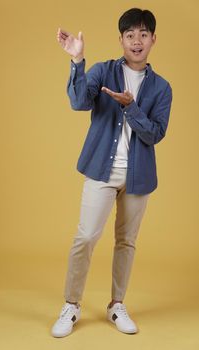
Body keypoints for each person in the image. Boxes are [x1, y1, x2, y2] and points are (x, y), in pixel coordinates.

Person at [52, 7, 173, 337]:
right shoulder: (103, 71)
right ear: (120, 39)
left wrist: (130, 106)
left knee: (126, 242)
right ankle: (72, 305)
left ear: (153, 40)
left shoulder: (162, 88)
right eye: (130, 35)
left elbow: (155, 134)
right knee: (87, 236)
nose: (137, 41)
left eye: (143, 35)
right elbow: (79, 102)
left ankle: (116, 304)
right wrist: (77, 61)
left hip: (138, 177)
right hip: (101, 171)